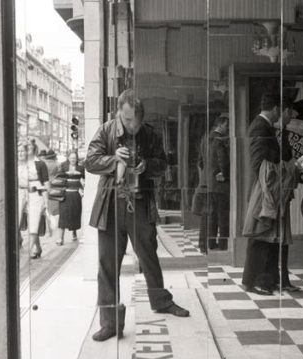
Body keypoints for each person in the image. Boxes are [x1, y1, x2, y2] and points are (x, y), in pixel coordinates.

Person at [85, 88, 190, 342]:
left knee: (149, 255)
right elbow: (89, 162)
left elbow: (163, 164)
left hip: (140, 202)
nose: (133, 126)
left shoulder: (150, 133)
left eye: (137, 120)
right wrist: (112, 160)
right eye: (128, 120)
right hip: (111, 204)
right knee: (108, 263)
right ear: (119, 112)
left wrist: (147, 166)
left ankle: (161, 301)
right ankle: (110, 322)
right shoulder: (106, 130)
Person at [241, 93, 303, 295]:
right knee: (261, 235)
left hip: (269, 190)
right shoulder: (260, 127)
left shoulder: (264, 126)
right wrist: (291, 167)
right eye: (284, 110)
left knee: (267, 236)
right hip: (265, 191)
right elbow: (259, 165)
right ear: (278, 108)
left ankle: (263, 282)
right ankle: (252, 282)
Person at [197, 115, 230, 253]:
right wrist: (225, 174)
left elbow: (200, 161)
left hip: (208, 184)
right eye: (227, 126)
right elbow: (223, 160)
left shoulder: (205, 139)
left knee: (211, 215)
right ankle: (223, 244)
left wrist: (207, 175)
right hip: (220, 184)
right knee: (223, 215)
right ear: (220, 125)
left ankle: (210, 243)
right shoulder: (219, 141)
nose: (228, 129)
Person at [17, 139, 49, 259]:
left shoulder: (40, 164)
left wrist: (46, 201)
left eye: (29, 147)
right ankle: (31, 244)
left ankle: (35, 249)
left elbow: (45, 182)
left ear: (34, 149)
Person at [56, 150, 85, 245]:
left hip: (76, 195)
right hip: (65, 195)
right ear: (68, 158)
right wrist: (67, 173)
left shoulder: (81, 168)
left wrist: (81, 183)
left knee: (75, 214)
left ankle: (74, 232)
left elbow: (84, 179)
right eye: (71, 158)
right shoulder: (63, 166)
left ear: (77, 159)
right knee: (63, 216)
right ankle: (60, 238)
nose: (73, 160)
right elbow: (59, 178)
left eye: (75, 158)